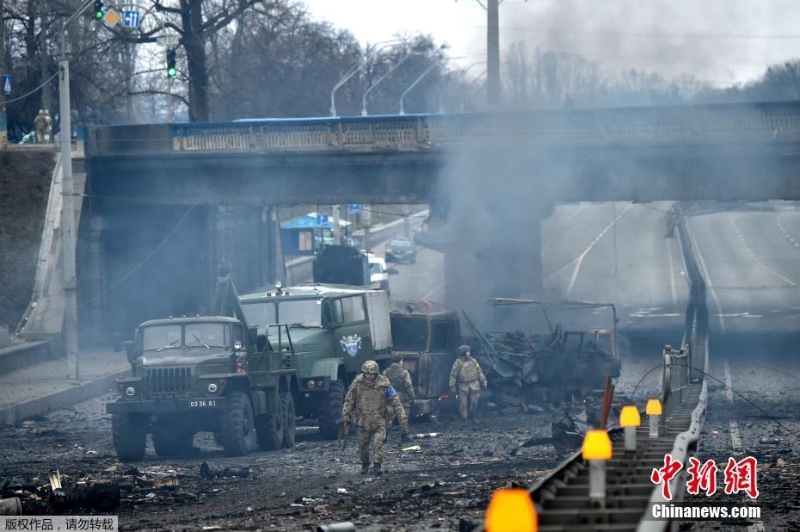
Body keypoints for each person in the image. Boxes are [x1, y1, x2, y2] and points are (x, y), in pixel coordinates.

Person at [342, 360, 409, 475]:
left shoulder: (384, 383)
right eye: (367, 373)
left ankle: (377, 465)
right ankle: (365, 464)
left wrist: (402, 416)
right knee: (362, 446)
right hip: (363, 420)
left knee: (378, 444)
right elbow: (349, 400)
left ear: (376, 373)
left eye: (372, 374)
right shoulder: (357, 383)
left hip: (379, 420)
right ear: (364, 373)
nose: (369, 376)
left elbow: (395, 400)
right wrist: (346, 415)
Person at [449, 345, 488, 421]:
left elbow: (479, 372)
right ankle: (464, 417)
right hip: (463, 384)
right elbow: (453, 375)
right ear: (463, 353)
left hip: (474, 383)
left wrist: (484, 382)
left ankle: (471, 414)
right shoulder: (458, 362)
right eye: (467, 352)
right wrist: (452, 386)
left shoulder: (473, 361)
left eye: (469, 351)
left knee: (474, 402)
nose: (468, 353)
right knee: (463, 403)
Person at [383, 354, 416, 422]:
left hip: (390, 396)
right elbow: (408, 386)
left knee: (389, 414)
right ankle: (404, 429)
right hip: (402, 397)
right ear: (400, 361)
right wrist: (413, 397)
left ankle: (388, 427)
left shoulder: (385, 372)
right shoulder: (404, 372)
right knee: (405, 410)